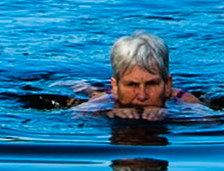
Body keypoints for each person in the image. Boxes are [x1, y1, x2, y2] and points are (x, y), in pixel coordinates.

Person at [74, 31, 206, 121]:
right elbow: (76, 115)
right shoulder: (106, 100)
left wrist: (170, 113)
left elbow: (210, 120)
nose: (142, 96)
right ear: (115, 86)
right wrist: (108, 113)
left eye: (151, 84)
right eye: (132, 85)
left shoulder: (181, 99)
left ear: (167, 85)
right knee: (91, 91)